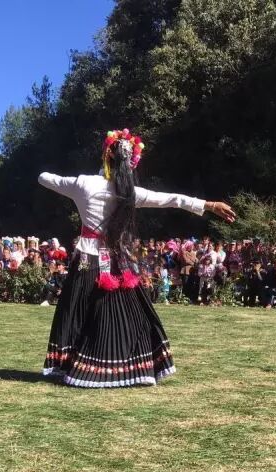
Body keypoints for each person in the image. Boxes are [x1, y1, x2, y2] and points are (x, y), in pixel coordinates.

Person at [37, 128, 234, 387]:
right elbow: (170, 199)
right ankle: (125, 365)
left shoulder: (84, 184)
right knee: (129, 313)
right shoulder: (129, 193)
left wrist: (50, 175)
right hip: (117, 260)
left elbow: (44, 178)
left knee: (76, 311)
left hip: (87, 257)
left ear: (106, 155)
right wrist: (208, 205)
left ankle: (75, 365)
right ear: (130, 162)